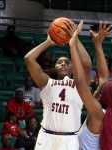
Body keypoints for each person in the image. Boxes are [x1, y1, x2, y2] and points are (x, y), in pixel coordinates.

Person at [24, 19, 91, 150]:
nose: (63, 64)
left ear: (73, 68)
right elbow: (28, 59)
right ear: (54, 67)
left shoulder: (79, 85)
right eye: (59, 62)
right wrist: (48, 42)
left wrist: (75, 38)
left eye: (67, 62)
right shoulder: (47, 83)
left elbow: (87, 65)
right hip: (46, 136)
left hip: (70, 139)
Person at [69, 20, 112, 149]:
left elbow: (80, 82)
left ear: (99, 97)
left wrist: (72, 46)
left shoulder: (97, 111)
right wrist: (98, 44)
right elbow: (104, 76)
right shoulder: (106, 111)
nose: (96, 86)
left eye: (98, 88)